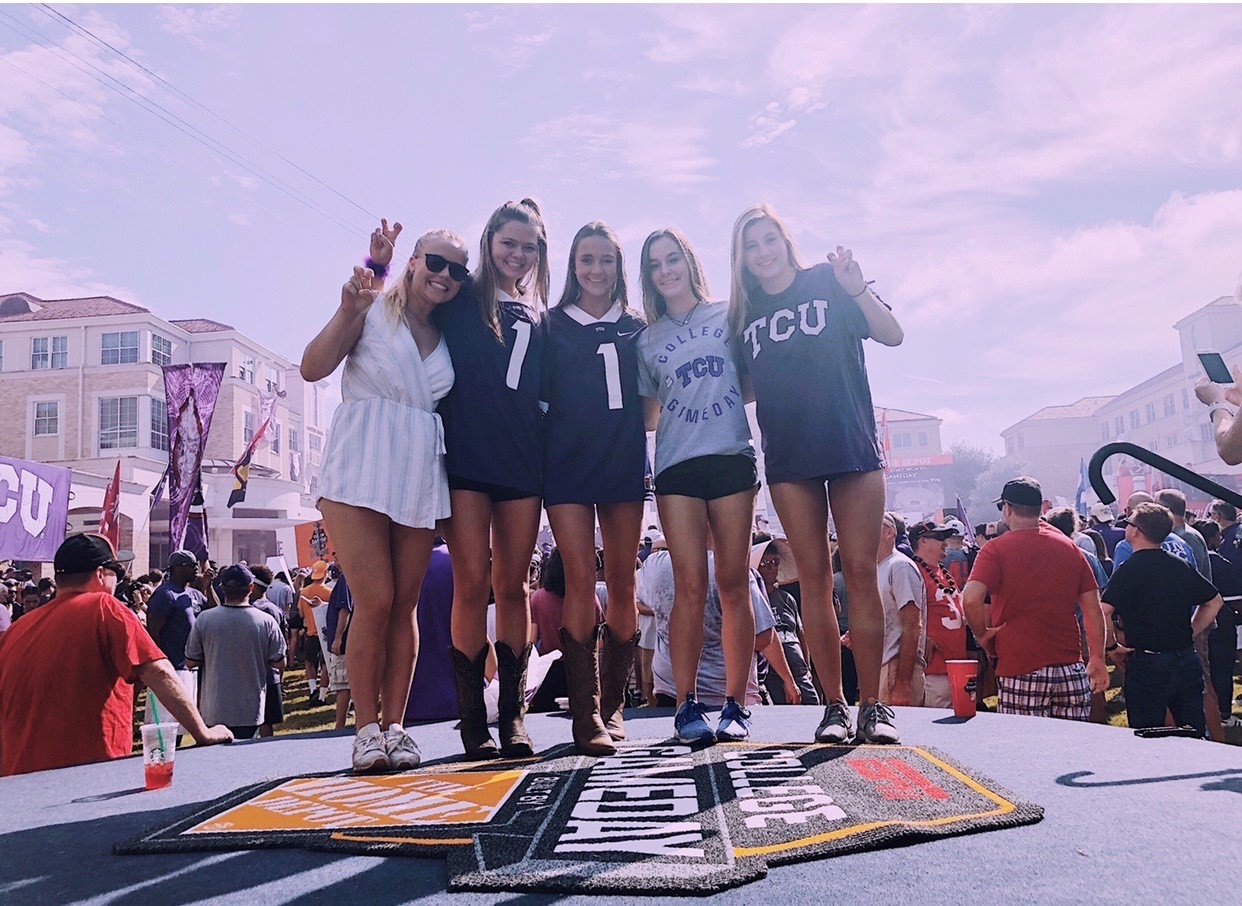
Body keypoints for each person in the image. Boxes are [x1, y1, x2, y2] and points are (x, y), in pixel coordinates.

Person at [369, 201, 549, 761]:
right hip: (464, 460)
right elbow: (397, 306)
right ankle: (473, 721)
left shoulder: (539, 314)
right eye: (508, 243)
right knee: (471, 583)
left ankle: (513, 716)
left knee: (514, 586)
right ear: (490, 240)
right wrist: (377, 268)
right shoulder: (460, 297)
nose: (516, 255)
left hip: (523, 464)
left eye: (528, 247)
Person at [729, 203, 905, 744]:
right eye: (750, 245)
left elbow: (892, 334)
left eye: (768, 240)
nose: (762, 252)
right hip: (789, 458)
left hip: (851, 446)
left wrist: (856, 288)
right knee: (812, 578)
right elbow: (746, 386)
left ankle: (874, 706)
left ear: (785, 240)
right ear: (741, 257)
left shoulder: (829, 281)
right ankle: (834, 707)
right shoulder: (744, 315)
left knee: (858, 570)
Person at [302, 224, 466, 772]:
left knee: (404, 604)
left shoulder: (450, 336)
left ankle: (397, 727)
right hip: (359, 463)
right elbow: (312, 367)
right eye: (436, 263)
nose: (444, 276)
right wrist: (351, 307)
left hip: (419, 466)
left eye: (457, 270)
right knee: (373, 599)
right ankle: (365, 731)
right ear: (414, 261)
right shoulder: (370, 306)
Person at [636, 227, 761, 744]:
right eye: (655, 264)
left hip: (730, 457)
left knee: (734, 584)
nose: (666, 271)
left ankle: (736, 703)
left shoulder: (729, 315)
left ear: (689, 261)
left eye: (672, 260)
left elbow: (751, 382)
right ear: (648, 276)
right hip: (676, 468)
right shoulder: (646, 339)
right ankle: (686, 705)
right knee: (688, 589)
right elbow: (646, 414)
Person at [0, 534, 232, 776]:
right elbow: (158, 671)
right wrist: (203, 733)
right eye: (117, 573)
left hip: (20, 781)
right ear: (100, 574)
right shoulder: (103, 607)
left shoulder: (18, 628)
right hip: (91, 776)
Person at [542, 222, 646, 755]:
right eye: (587, 259)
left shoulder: (637, 325)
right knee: (580, 578)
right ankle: (585, 715)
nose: (596, 269)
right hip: (566, 465)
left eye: (606, 259)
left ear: (619, 266)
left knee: (623, 581)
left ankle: (613, 705)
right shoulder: (551, 324)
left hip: (623, 461)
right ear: (572, 264)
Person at [962, 477, 1109, 721]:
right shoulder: (1069, 547)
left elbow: (970, 599)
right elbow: (1093, 608)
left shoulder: (995, 549)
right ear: (1041, 509)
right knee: (1072, 750)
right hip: (1069, 666)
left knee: (1023, 752)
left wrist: (983, 634)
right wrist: (1097, 657)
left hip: (1019, 666)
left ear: (1007, 509)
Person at [1102, 504, 1223, 737]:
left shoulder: (1130, 569)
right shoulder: (1178, 564)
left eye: (1129, 523)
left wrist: (1111, 647)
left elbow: (1103, 610)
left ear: (1136, 531)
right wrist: (1192, 630)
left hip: (1148, 662)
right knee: (1193, 733)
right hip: (1185, 658)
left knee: (1147, 735)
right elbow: (1214, 601)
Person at [185, 565, 286, 740]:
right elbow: (279, 662)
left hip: (214, 708)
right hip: (251, 708)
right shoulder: (266, 621)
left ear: (222, 588)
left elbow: (190, 661)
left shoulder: (205, 619)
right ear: (251, 587)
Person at [143, 550, 207, 732]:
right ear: (178, 568)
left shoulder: (194, 594)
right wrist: (161, 665)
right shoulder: (165, 594)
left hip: (191, 667)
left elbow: (213, 610)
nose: (196, 569)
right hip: (172, 669)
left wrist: (208, 587)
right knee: (166, 726)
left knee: (184, 725)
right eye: (192, 566)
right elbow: (153, 632)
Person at [909, 520, 967, 709]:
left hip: (957, 664)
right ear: (922, 541)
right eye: (939, 538)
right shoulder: (913, 571)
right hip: (933, 669)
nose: (945, 543)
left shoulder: (943, 572)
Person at [870, 513, 926, 707]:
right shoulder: (879, 567)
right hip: (883, 668)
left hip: (897, 670)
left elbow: (912, 626)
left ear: (889, 532)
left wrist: (903, 683)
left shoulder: (900, 566)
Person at [753, 538, 818, 705]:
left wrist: (807, 666)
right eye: (764, 562)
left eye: (774, 562)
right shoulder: (751, 599)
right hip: (771, 675)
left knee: (813, 707)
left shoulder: (786, 598)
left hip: (799, 670)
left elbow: (800, 632)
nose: (770, 567)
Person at [1192, 519, 1242, 727]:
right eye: (1218, 536)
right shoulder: (1221, 563)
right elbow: (1236, 597)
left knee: (1203, 670)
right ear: (1211, 538)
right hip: (1222, 621)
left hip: (1195, 623)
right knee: (1222, 669)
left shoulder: (1189, 560)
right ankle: (1223, 714)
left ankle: (1205, 712)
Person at [247, 565, 287, 738]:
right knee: (265, 721)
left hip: (258, 672)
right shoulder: (275, 609)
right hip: (270, 673)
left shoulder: (257, 610)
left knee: (262, 720)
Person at [298, 560, 333, 705]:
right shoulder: (330, 592)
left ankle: (313, 689)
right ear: (325, 573)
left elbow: (300, 614)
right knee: (326, 665)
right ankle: (322, 695)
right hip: (326, 634)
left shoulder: (303, 592)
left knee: (309, 662)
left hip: (311, 632)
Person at [1155, 489, 1210, 580]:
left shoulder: (1188, 537)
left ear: (1165, 510)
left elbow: (1196, 575)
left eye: (1155, 506)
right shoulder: (1175, 534)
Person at [323, 573, 354, 731]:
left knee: (343, 685)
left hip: (344, 643)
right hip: (352, 640)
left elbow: (344, 609)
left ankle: (340, 725)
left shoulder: (345, 579)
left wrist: (338, 638)